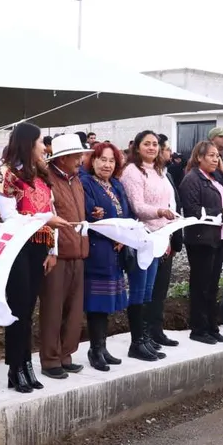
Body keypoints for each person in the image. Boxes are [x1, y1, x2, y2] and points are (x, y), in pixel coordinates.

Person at [0, 124, 67, 392]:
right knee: (19, 309)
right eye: (40, 142)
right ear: (27, 143)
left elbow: (51, 210)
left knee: (29, 309)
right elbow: (10, 217)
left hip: (39, 245)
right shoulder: (5, 173)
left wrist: (52, 250)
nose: (44, 147)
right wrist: (45, 219)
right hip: (16, 246)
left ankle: (26, 364)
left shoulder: (41, 174)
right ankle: (16, 366)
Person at [80, 141, 141, 369]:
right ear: (93, 161)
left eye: (111, 160)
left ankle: (102, 348)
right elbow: (90, 215)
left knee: (107, 304)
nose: (106, 164)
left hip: (115, 252)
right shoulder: (86, 183)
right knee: (96, 303)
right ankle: (95, 350)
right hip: (97, 251)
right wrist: (114, 234)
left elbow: (126, 215)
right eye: (102, 159)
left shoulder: (115, 185)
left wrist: (122, 235)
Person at [120, 130, 179, 355]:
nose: (152, 148)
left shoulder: (159, 171)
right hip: (140, 238)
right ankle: (136, 342)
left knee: (149, 292)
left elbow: (168, 200)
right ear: (137, 147)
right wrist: (161, 212)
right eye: (147, 144)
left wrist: (168, 221)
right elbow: (138, 206)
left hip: (158, 237)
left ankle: (145, 337)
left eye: (155, 144)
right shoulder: (132, 172)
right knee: (138, 291)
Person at [40, 134, 90, 378]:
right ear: (62, 158)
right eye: (77, 155)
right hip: (58, 254)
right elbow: (46, 219)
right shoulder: (48, 179)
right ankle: (50, 360)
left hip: (79, 250)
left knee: (74, 308)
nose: (81, 159)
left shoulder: (77, 179)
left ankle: (66, 354)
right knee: (53, 308)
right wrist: (51, 250)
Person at [178, 140, 223, 344]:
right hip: (201, 239)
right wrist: (220, 212)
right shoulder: (192, 179)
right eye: (211, 156)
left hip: (218, 237)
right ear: (199, 158)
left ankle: (212, 327)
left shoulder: (214, 178)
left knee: (212, 286)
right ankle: (199, 329)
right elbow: (193, 211)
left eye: (217, 156)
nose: (215, 159)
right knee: (201, 286)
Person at [145, 138, 182, 348]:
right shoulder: (143, 175)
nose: (168, 152)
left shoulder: (166, 175)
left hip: (168, 238)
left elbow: (175, 206)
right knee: (148, 290)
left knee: (161, 290)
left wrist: (175, 240)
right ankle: (145, 334)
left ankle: (156, 331)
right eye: (165, 148)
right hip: (151, 238)